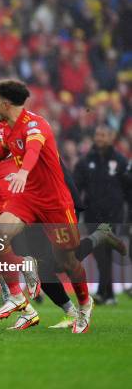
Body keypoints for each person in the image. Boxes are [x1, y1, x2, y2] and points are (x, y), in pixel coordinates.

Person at [0, 80, 92, 333]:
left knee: (67, 261)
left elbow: (33, 149)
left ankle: (85, 304)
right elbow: (3, 150)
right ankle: (16, 291)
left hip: (55, 202)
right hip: (27, 197)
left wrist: (24, 171)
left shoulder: (35, 124)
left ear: (5, 103)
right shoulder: (7, 127)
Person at [73, 125, 129, 305]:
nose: (99, 138)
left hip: (114, 215)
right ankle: (108, 294)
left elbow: (128, 190)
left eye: (103, 135)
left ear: (111, 137)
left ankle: (105, 293)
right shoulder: (84, 162)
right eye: (97, 134)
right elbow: (75, 189)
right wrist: (75, 211)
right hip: (93, 215)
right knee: (100, 255)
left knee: (107, 255)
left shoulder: (121, 161)